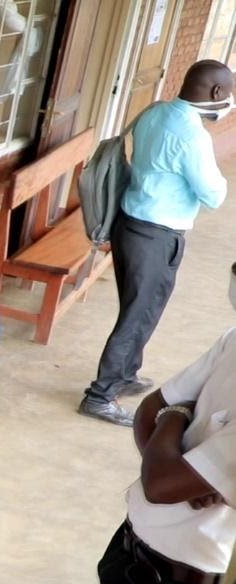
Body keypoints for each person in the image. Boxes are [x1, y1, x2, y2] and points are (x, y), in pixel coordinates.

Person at [0, 261, 236, 584]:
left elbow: (160, 481)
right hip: (134, 557)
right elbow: (152, 409)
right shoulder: (233, 339)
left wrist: (170, 444)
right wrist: (172, 439)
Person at [80, 60, 232, 427]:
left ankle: (126, 374)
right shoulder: (192, 136)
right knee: (137, 316)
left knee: (139, 309)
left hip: (130, 225)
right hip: (156, 235)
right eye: (229, 93)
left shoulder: (157, 110)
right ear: (215, 94)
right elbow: (213, 195)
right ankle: (100, 396)